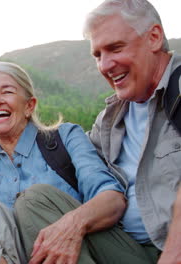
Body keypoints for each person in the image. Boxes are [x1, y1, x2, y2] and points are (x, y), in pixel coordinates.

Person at [0, 61, 127, 264]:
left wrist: (70, 226)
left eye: (7, 92)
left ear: (29, 105)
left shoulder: (65, 137)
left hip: (66, 253)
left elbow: (112, 199)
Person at [84, 0, 179, 263]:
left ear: (154, 37)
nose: (105, 65)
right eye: (98, 55)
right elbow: (72, 159)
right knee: (39, 203)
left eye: (115, 48)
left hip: (169, 249)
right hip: (126, 245)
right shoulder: (110, 118)